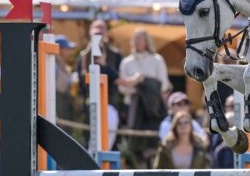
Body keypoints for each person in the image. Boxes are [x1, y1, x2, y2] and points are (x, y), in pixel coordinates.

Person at [119, 29, 172, 167]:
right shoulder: (127, 62)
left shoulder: (157, 59)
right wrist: (136, 84)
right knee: (136, 141)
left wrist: (147, 85)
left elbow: (164, 84)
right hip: (134, 108)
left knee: (154, 140)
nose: (137, 42)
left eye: (140, 39)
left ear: (146, 41)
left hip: (154, 108)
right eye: (135, 39)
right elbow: (122, 88)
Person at [76, 18, 123, 150]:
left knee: (109, 143)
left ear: (106, 33)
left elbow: (118, 78)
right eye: (96, 33)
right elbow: (81, 82)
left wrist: (104, 66)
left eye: (101, 32)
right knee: (90, 141)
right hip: (91, 103)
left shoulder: (116, 54)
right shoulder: (83, 55)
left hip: (111, 103)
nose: (99, 36)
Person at [152, 110, 212, 176]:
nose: (183, 126)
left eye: (186, 122)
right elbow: (157, 169)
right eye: (179, 123)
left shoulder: (199, 146)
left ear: (191, 125)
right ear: (175, 125)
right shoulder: (166, 146)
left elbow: (207, 166)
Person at [52, 35, 77, 121]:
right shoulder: (53, 65)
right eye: (66, 48)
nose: (69, 51)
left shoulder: (62, 65)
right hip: (57, 104)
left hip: (64, 104)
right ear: (59, 49)